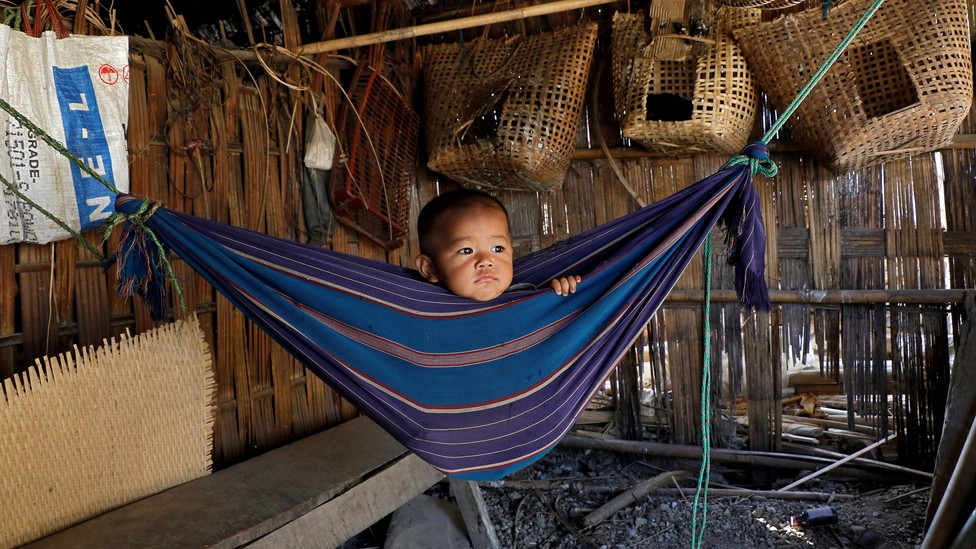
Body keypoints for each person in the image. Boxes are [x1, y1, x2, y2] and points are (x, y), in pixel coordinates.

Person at [415, 189, 581, 301]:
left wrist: (562, 294)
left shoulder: (527, 298)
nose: (486, 260)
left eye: (497, 249)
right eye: (466, 250)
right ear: (430, 268)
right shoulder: (421, 312)